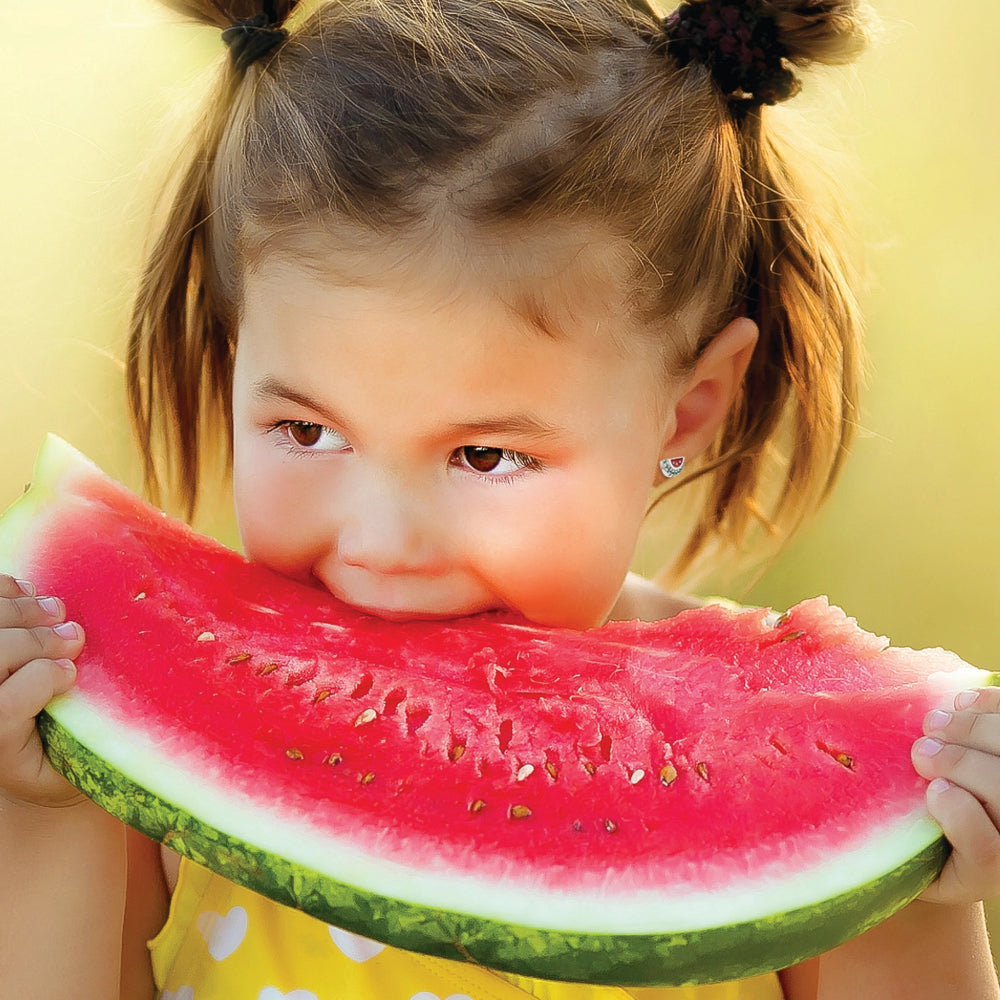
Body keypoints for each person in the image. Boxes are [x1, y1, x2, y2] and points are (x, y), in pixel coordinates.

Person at [1, 0, 998, 996]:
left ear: (687, 412)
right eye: (307, 431)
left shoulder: (793, 770)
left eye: (484, 455)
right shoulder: (146, 786)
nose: (382, 543)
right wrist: (39, 813)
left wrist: (908, 886)